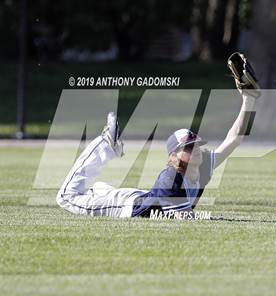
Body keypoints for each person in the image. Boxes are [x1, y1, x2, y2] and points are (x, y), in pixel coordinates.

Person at [56, 52, 260, 218]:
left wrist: (248, 99)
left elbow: (235, 138)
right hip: (125, 206)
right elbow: (185, 218)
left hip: (142, 196)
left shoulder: (203, 165)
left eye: (196, 144)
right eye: (188, 147)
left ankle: (98, 188)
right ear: (173, 157)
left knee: (99, 189)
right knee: (66, 197)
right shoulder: (170, 178)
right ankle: (106, 144)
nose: (196, 149)